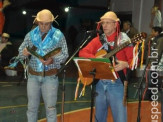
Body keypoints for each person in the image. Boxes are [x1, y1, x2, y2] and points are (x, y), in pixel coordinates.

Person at [79, 11, 135, 122]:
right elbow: (82, 52)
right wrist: (96, 58)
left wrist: (126, 64)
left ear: (115, 24)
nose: (104, 25)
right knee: (99, 118)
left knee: (120, 119)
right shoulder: (99, 39)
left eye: (108, 23)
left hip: (117, 85)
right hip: (100, 84)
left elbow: (135, 61)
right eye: (103, 23)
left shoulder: (125, 40)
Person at [18, 9, 69, 122]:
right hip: (33, 77)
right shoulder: (30, 35)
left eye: (47, 24)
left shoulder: (58, 36)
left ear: (51, 22)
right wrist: (24, 53)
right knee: (31, 108)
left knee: (51, 109)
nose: (44, 26)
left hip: (50, 77)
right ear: (37, 21)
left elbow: (65, 55)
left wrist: (53, 60)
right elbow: (20, 52)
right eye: (41, 23)